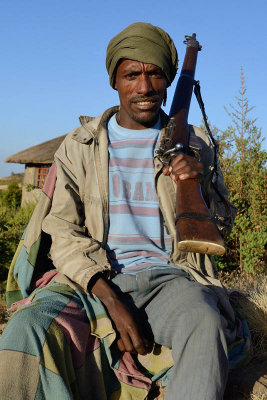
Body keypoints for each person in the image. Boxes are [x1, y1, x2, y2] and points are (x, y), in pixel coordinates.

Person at [0, 22, 248, 400]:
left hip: (170, 277)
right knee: (27, 328)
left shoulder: (194, 144)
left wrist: (200, 182)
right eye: (132, 75)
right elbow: (63, 231)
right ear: (114, 81)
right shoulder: (79, 146)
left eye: (155, 75)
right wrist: (111, 298)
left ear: (168, 81)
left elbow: (219, 231)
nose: (145, 88)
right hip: (91, 279)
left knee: (204, 321)